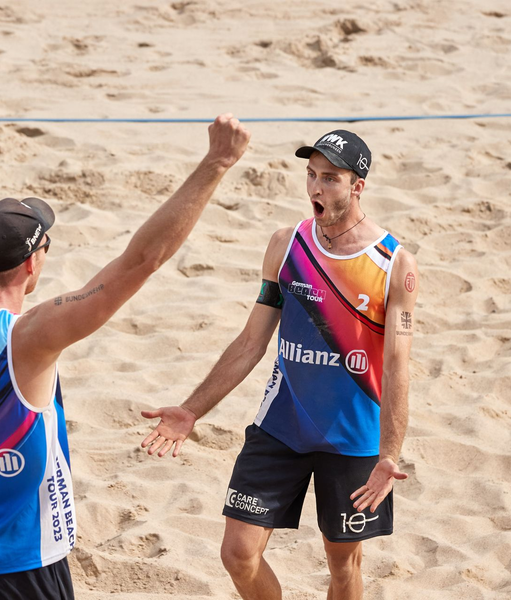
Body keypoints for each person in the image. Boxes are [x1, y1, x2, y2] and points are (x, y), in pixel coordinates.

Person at [0, 24, 250, 600]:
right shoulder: (30, 337)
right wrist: (217, 163)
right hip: (16, 564)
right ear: (33, 264)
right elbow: (141, 261)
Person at [141, 129, 419, 599]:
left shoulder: (394, 264)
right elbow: (251, 341)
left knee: (343, 565)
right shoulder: (287, 245)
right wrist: (192, 410)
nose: (316, 188)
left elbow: (396, 367)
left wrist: (389, 452)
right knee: (238, 553)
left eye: (330, 178)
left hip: (351, 437)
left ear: (358, 187)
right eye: (311, 175)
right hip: (281, 426)